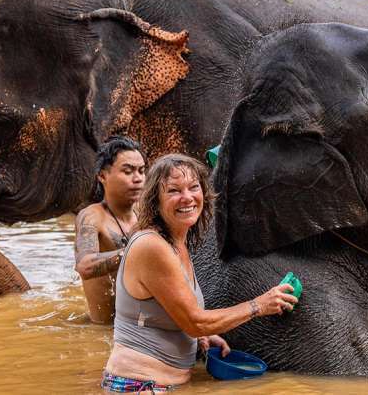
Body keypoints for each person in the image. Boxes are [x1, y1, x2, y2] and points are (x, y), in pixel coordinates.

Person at [101, 154, 297, 392]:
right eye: (174, 190)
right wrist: (258, 305)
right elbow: (195, 321)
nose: (187, 198)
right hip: (139, 386)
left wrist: (197, 339)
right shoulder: (152, 246)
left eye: (194, 187)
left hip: (163, 385)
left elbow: (178, 315)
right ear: (155, 201)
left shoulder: (177, 242)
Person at [75, 136, 146, 324]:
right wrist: (135, 251)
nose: (138, 178)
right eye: (128, 171)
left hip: (139, 327)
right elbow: (85, 266)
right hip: (104, 331)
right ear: (102, 176)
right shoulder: (91, 217)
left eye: (141, 170)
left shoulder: (144, 213)